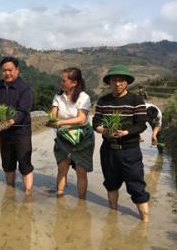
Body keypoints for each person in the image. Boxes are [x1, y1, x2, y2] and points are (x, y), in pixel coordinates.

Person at [93, 64, 150, 221]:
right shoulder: (103, 101)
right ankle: (113, 217)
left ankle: (145, 222)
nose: (117, 84)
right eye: (114, 80)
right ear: (109, 82)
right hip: (108, 150)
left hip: (129, 150)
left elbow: (141, 124)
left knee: (136, 186)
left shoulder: (136, 99)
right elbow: (96, 122)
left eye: (121, 80)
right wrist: (104, 131)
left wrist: (125, 132)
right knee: (111, 183)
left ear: (126, 82)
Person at [0, 57, 34, 194]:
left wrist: (10, 122)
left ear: (17, 70)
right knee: (8, 164)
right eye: (4, 70)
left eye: (10, 70)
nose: (7, 73)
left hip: (21, 132)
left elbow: (24, 110)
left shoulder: (25, 88)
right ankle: (10, 191)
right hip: (4, 133)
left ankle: (28, 193)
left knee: (25, 164)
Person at [51, 67, 94, 199]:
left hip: (82, 138)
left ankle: (82, 201)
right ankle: (59, 196)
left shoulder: (84, 97)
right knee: (62, 168)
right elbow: (53, 115)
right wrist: (52, 120)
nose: (61, 83)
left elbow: (81, 119)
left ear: (74, 83)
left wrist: (60, 123)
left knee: (81, 171)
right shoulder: (59, 96)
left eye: (64, 81)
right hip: (63, 137)